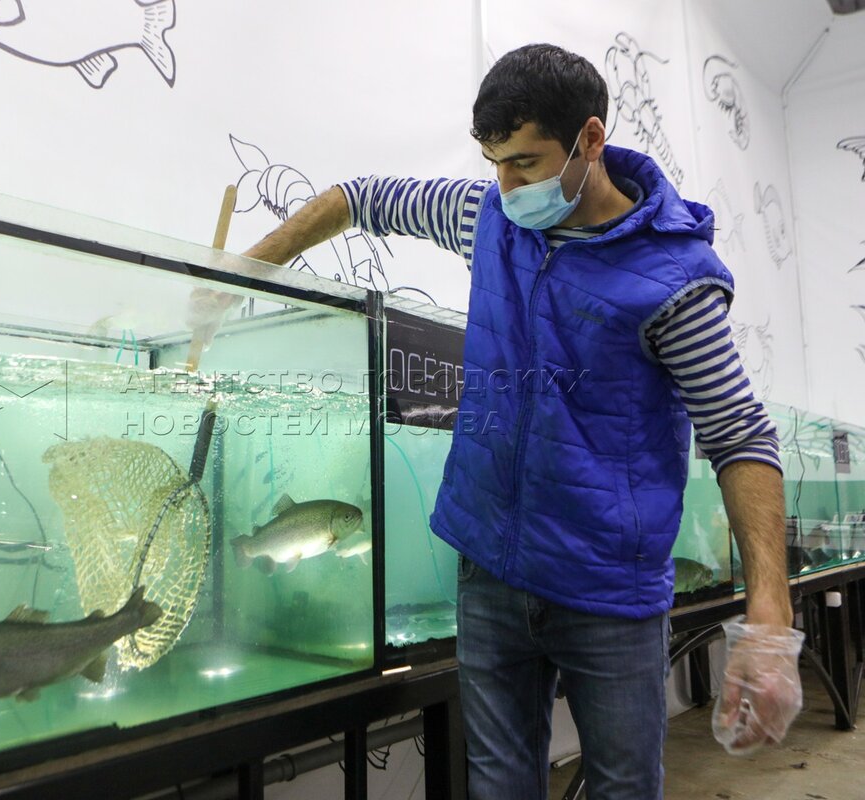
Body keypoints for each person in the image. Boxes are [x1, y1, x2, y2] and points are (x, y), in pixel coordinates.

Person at [188, 43, 802, 800]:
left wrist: (770, 613)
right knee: (499, 784)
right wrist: (244, 272)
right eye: (494, 163)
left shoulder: (674, 282)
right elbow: (361, 197)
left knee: (623, 785)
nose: (507, 185)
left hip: (607, 592)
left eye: (525, 162)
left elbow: (740, 435)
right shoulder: (489, 215)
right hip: (489, 571)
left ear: (590, 140)